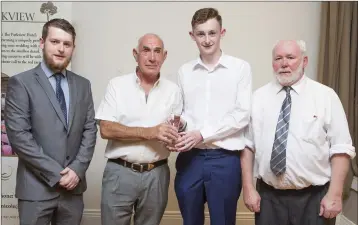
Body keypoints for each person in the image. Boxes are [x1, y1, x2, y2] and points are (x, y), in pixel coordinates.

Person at [241, 40, 356, 225]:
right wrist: (248, 188)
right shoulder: (258, 98)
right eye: (278, 58)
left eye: (290, 57)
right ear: (273, 63)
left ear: (304, 61)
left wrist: (334, 194)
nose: (284, 63)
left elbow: (341, 148)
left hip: (314, 198)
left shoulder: (326, 96)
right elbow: (247, 146)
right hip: (269, 197)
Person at [4, 18, 97, 225]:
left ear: (73, 48)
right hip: (36, 190)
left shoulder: (83, 85)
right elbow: (19, 137)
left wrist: (76, 171)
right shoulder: (21, 83)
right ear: (42, 42)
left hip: (73, 190)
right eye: (55, 42)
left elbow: (90, 130)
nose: (61, 49)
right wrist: (58, 174)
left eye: (67, 44)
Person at [171, 8, 253, 225]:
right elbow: (184, 113)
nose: (207, 40)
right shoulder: (184, 71)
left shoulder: (240, 68)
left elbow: (242, 115)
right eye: (200, 34)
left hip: (225, 160)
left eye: (212, 33)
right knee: (190, 221)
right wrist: (177, 126)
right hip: (190, 159)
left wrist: (202, 134)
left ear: (222, 32)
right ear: (192, 35)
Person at [96, 33, 183, 225]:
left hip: (157, 174)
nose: (152, 57)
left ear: (164, 56)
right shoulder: (117, 86)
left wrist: (176, 139)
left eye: (157, 51)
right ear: (135, 54)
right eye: (146, 50)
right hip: (120, 172)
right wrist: (149, 132)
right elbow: (106, 129)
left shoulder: (174, 91)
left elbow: (175, 130)